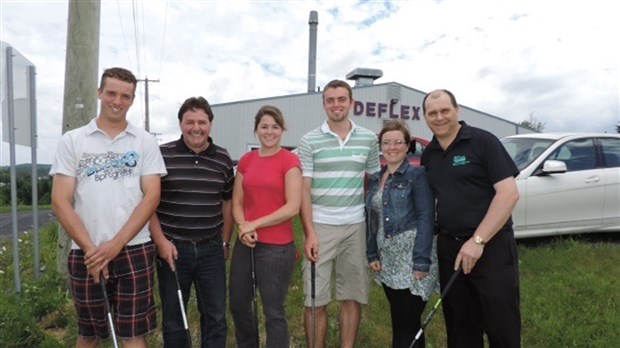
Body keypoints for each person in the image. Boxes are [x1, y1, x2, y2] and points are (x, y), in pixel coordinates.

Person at [50, 67, 167, 348]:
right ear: (100, 93)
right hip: (85, 251)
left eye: (125, 96)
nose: (117, 101)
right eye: (111, 93)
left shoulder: (145, 141)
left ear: (132, 99)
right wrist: (92, 250)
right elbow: (60, 200)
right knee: (89, 334)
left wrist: (116, 245)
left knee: (132, 335)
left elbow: (151, 196)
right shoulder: (73, 140)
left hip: (134, 249)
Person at [420, 89, 521, 347]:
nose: (439, 117)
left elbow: (508, 194)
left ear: (457, 110)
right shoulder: (429, 155)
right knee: (460, 325)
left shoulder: (482, 142)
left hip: (491, 246)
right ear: (425, 117)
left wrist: (477, 241)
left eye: (445, 110)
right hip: (450, 249)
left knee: (501, 324)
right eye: (432, 113)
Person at [297, 79, 380, 348]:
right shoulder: (309, 141)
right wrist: (309, 232)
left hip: (355, 226)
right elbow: (304, 189)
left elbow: (377, 181)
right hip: (320, 226)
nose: (336, 105)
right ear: (324, 105)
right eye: (330, 100)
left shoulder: (368, 139)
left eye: (341, 99)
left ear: (351, 102)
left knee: (352, 296)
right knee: (314, 300)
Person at [149, 96, 234, 347]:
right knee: (175, 318)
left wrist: (225, 242)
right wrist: (161, 242)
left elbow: (227, 202)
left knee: (216, 316)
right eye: (189, 122)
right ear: (180, 124)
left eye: (202, 122)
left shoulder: (222, 158)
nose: (196, 127)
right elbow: (148, 203)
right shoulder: (161, 155)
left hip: (211, 249)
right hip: (172, 249)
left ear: (210, 125)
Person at [229, 105, 302, 347]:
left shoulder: (289, 160)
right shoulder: (247, 160)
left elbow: (293, 207)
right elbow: (237, 201)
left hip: (277, 249)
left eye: (275, 127)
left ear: (282, 130)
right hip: (246, 244)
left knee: (273, 311)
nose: (269, 132)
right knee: (239, 304)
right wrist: (242, 226)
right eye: (264, 127)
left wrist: (253, 225)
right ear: (256, 130)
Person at [365, 120, 438, 348]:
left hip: (412, 258)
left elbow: (427, 217)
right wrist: (372, 253)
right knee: (402, 322)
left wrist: (421, 262)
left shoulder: (417, 175)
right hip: (388, 260)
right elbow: (373, 220)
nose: (392, 147)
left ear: (408, 146)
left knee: (407, 325)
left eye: (398, 142)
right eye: (387, 142)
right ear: (381, 146)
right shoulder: (377, 178)